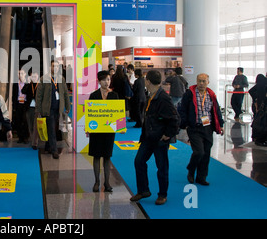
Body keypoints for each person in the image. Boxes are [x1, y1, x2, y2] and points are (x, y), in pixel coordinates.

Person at [130, 70, 180, 205]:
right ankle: (143, 190)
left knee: (162, 167)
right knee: (139, 161)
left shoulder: (163, 98)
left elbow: (175, 119)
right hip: (148, 137)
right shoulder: (151, 96)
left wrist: (167, 135)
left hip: (159, 140)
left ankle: (162, 194)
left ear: (148, 82)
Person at [178, 73, 224, 185]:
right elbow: (182, 109)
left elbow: (216, 110)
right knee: (199, 152)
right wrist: (185, 124)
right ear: (196, 81)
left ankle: (201, 177)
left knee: (206, 154)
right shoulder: (190, 94)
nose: (201, 83)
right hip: (194, 127)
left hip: (207, 128)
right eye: (199, 81)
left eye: (204, 81)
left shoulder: (211, 95)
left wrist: (220, 125)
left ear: (208, 82)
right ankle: (191, 169)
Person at [87, 71, 120, 192]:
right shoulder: (93, 95)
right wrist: (88, 128)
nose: (107, 82)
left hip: (109, 131)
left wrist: (120, 127)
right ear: (99, 81)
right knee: (96, 156)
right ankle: (97, 182)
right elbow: (90, 114)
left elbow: (118, 113)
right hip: (96, 130)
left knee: (107, 156)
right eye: (105, 80)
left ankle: (107, 182)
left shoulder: (114, 95)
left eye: (109, 79)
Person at [36, 60, 71, 159]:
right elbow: (39, 95)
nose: (55, 68)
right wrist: (38, 109)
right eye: (53, 66)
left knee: (52, 128)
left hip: (58, 109)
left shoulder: (61, 79)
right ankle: (54, 150)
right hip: (47, 109)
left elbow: (65, 93)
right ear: (50, 67)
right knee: (51, 129)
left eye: (56, 66)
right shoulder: (44, 79)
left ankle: (48, 146)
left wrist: (68, 106)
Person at [22, 71, 40, 149]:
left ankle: (34, 143)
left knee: (36, 125)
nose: (34, 78)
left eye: (35, 77)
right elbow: (23, 91)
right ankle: (33, 139)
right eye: (32, 77)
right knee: (30, 125)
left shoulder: (40, 85)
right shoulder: (29, 85)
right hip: (29, 107)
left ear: (38, 77)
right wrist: (27, 83)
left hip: (37, 107)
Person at [249, 74, 267, 146]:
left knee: (257, 121)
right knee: (261, 122)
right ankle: (259, 138)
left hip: (258, 105)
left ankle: (255, 137)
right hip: (261, 106)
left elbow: (251, 91)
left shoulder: (261, 82)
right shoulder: (264, 82)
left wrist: (255, 99)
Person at [12, 69, 29, 143]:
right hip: (18, 103)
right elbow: (14, 95)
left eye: (22, 73)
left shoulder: (28, 83)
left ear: (25, 74)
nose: (20, 75)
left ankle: (26, 137)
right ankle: (20, 137)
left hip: (25, 103)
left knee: (25, 121)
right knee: (18, 120)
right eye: (19, 73)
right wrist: (14, 105)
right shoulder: (16, 83)